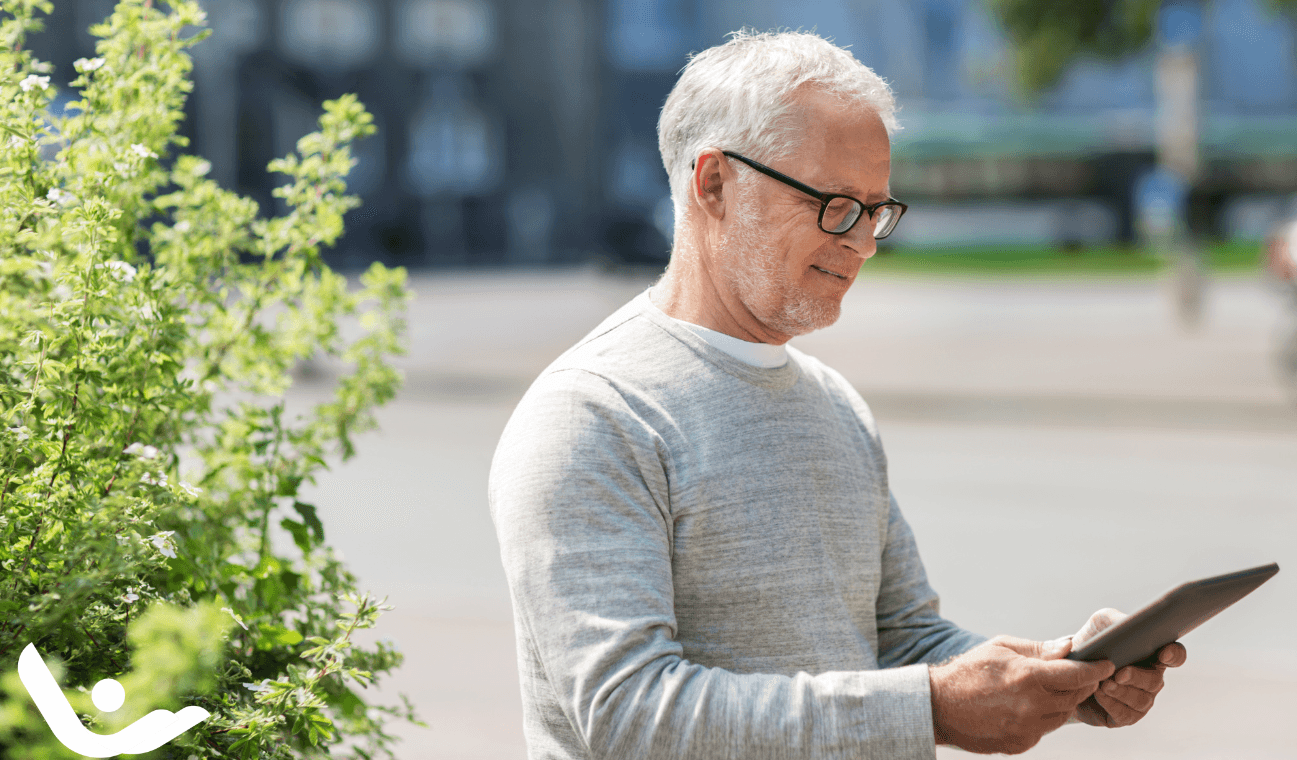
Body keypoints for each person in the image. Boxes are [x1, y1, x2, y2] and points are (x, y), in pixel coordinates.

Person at [487, 30, 1185, 759]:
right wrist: (933, 708)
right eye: (834, 204)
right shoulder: (592, 415)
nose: (862, 242)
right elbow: (632, 715)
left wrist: (1058, 675)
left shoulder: (834, 403)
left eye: (877, 210)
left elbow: (901, 640)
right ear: (714, 184)